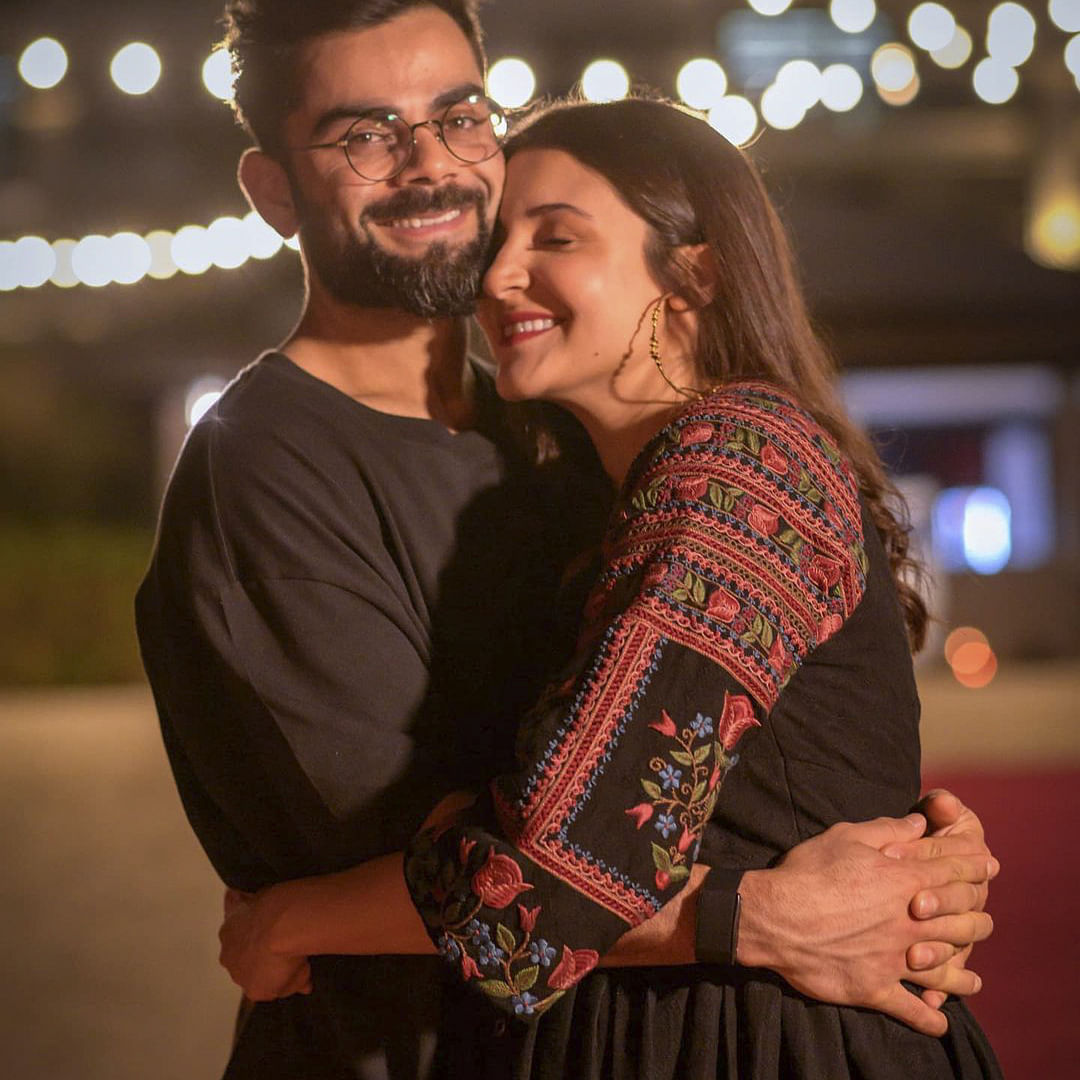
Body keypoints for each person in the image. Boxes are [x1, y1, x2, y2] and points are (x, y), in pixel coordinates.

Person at [136, 2, 995, 1077]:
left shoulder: (594, 446)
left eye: (458, 116)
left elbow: (650, 813)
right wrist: (765, 911)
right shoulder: (264, 471)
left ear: (694, 275)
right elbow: (480, 871)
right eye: (364, 135)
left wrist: (915, 863)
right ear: (272, 192)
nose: (430, 167)